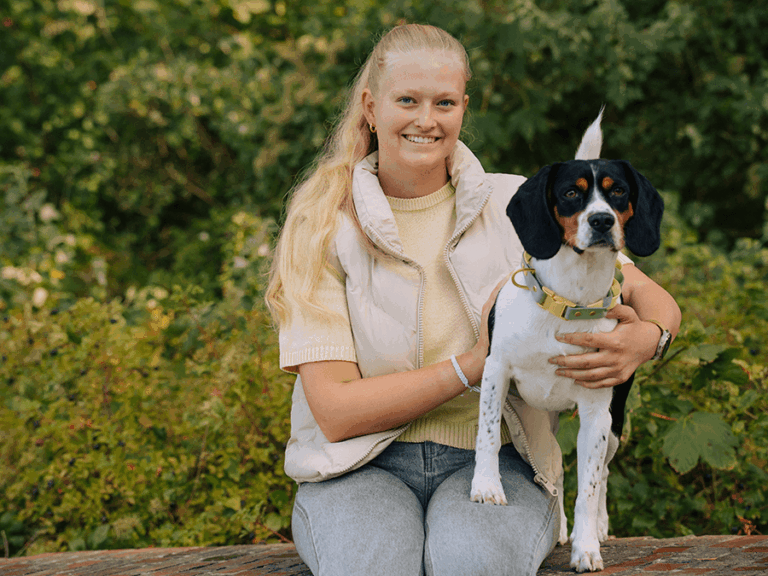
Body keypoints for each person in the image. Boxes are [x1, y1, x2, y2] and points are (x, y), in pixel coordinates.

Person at [265, 23, 681, 576]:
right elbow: (338, 414)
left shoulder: (519, 206)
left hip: (503, 462)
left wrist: (644, 342)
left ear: (464, 107)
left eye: (444, 102)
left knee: (473, 564)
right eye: (406, 100)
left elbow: (655, 301)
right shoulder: (319, 225)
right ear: (370, 106)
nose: (425, 119)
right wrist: (476, 364)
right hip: (358, 467)